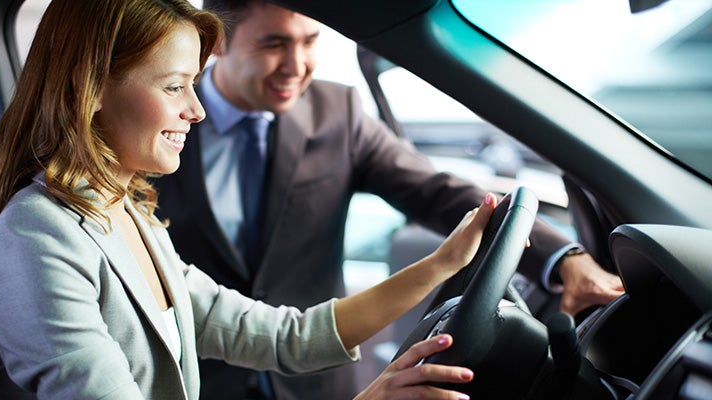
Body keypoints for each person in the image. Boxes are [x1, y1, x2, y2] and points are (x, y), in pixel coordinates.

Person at [0, 0, 496, 399]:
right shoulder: (35, 239)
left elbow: (287, 337)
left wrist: (442, 265)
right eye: (174, 87)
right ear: (92, 89)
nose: (196, 110)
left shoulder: (128, 215)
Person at [151, 0, 627, 399]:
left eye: (310, 41)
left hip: (316, 377)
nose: (296, 65)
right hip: (199, 379)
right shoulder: (158, 126)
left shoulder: (339, 112)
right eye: (274, 43)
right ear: (218, 43)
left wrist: (564, 257)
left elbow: (436, 190)